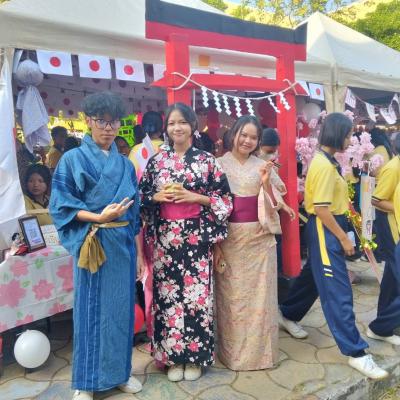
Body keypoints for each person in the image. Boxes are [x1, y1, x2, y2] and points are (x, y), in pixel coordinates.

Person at [49, 91, 145, 400]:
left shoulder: (125, 165)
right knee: (90, 311)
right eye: (102, 121)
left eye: (114, 122)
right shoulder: (72, 160)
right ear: (88, 121)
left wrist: (139, 253)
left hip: (122, 246)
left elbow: (135, 213)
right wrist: (98, 217)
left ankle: (120, 373)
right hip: (92, 242)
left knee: (120, 310)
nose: (109, 128)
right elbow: (61, 206)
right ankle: (86, 382)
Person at [278, 113, 388, 380]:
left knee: (313, 278)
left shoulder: (327, 160)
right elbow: (321, 210)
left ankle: (288, 313)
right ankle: (356, 352)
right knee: (338, 291)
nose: (350, 140)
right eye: (348, 135)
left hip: (329, 225)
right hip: (325, 227)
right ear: (337, 133)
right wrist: (343, 238)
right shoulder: (324, 165)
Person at [139, 102, 232, 382]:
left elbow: (226, 201)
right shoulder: (157, 162)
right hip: (165, 239)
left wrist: (196, 197)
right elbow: (141, 198)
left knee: (196, 298)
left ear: (192, 126)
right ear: (166, 128)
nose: (176, 128)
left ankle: (195, 357)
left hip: (197, 239)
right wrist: (155, 197)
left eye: (182, 122)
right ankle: (170, 357)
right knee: (167, 298)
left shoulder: (207, 161)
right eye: (171, 123)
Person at [215, 116, 287, 370]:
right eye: (243, 135)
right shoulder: (217, 164)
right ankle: (232, 354)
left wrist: (266, 183)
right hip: (230, 238)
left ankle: (261, 356)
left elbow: (277, 202)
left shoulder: (263, 166)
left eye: (253, 137)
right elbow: (211, 205)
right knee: (232, 298)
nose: (247, 141)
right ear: (233, 134)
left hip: (260, 238)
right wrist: (215, 243)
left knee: (261, 298)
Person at [369, 135, 400, 345]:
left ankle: (384, 321)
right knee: (393, 274)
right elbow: (376, 199)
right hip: (391, 227)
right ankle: (383, 324)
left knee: (391, 275)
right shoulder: (393, 168)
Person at [129, 111, 164, 177]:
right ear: (161, 129)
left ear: (142, 128)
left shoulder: (136, 150)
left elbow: (130, 176)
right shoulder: (170, 148)